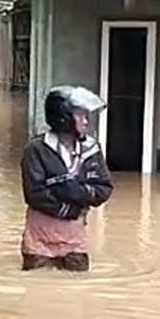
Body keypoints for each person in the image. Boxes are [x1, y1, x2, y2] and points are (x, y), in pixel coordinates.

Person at [20, 85, 114, 272]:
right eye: (80, 115)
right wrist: (70, 209)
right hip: (40, 237)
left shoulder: (91, 149)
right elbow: (35, 194)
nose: (86, 121)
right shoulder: (37, 149)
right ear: (64, 118)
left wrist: (69, 189)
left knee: (77, 288)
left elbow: (104, 189)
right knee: (38, 284)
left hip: (75, 238)